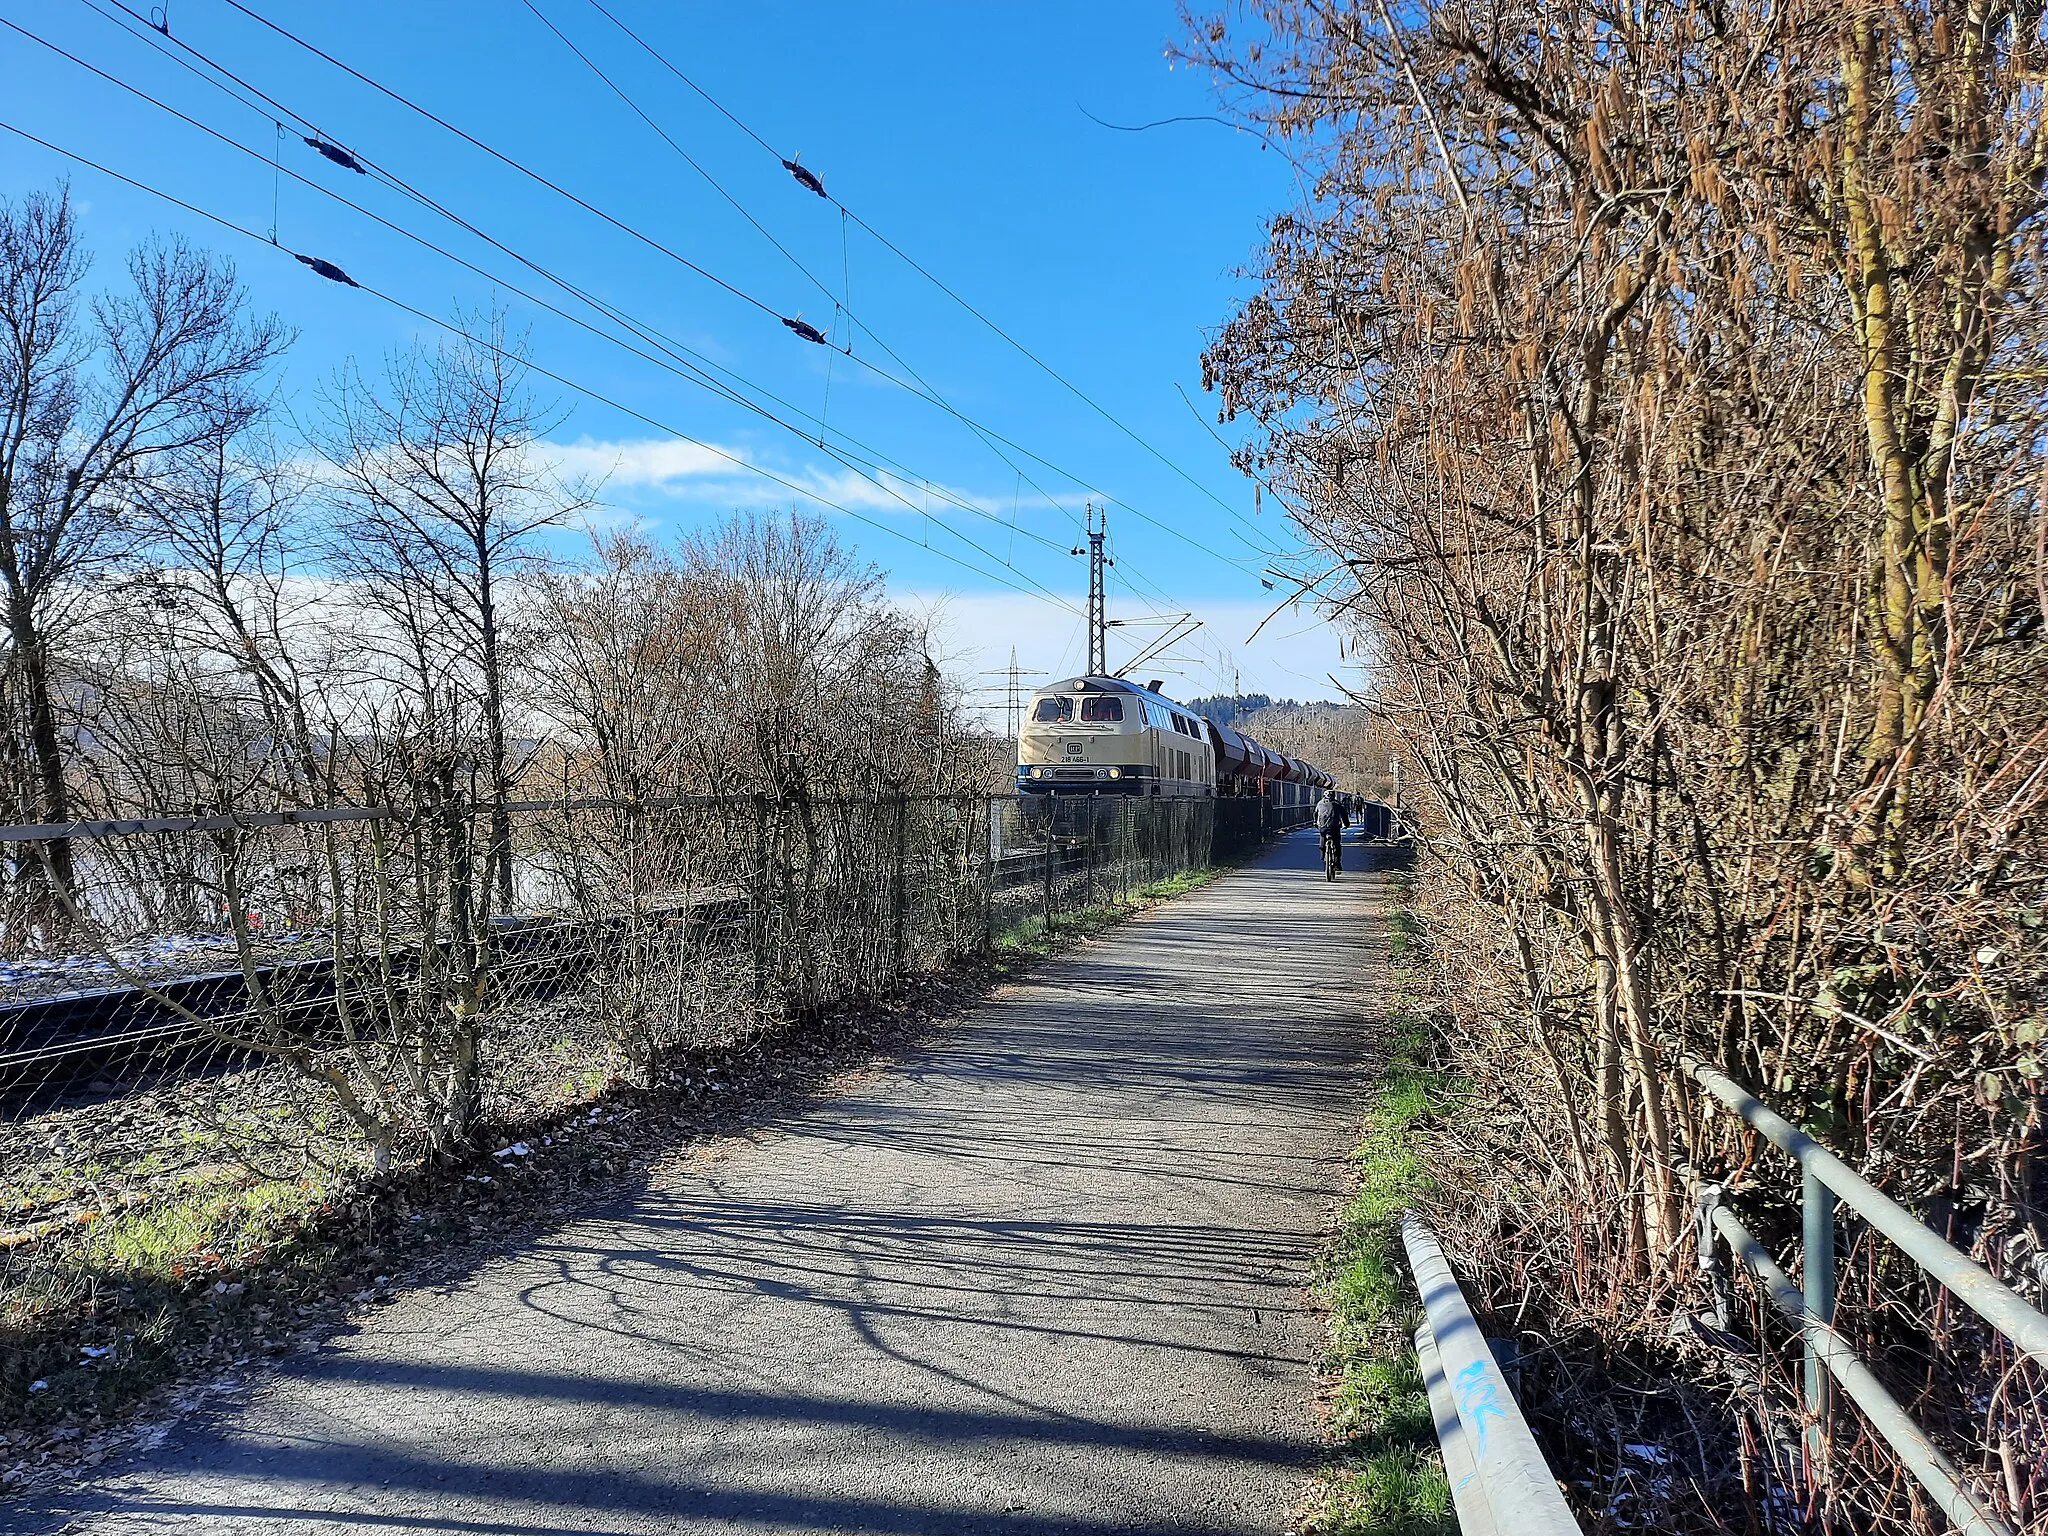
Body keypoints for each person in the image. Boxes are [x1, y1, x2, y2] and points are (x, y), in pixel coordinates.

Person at [1314, 790, 1348, 880]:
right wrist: (1346, 824)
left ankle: (1323, 856)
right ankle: (1337, 864)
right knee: (1337, 845)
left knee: (1322, 841)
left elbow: (1315, 814)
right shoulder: (1337, 804)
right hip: (1335, 828)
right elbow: (1344, 815)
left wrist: (1315, 823)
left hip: (1323, 828)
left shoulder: (1320, 803)